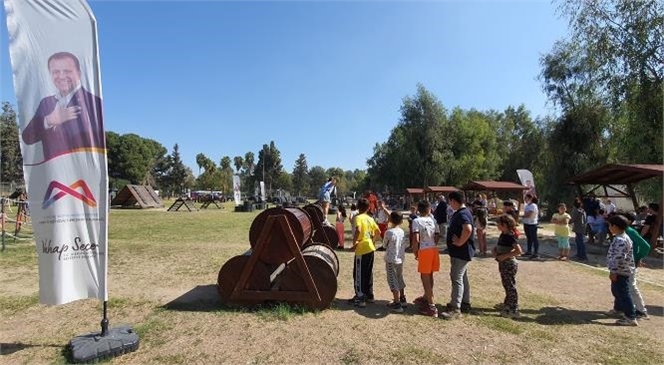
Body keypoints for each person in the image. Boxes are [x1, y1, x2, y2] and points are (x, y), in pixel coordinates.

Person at [22, 52, 105, 162]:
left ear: (79, 74)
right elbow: (27, 137)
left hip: (81, 175)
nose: (61, 76)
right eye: (56, 72)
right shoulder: (46, 102)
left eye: (67, 71)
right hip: (52, 174)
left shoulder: (92, 102)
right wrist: (49, 120)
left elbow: (96, 142)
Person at [440, 191, 475, 320]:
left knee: (456, 278)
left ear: (454, 201)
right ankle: (465, 302)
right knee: (462, 277)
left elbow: (468, 229)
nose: (450, 204)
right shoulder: (462, 213)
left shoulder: (463, 214)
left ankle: (455, 308)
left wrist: (460, 242)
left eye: (450, 202)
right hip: (461, 252)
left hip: (461, 252)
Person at [617, 211, 651, 320]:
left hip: (630, 264)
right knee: (619, 286)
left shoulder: (631, 232)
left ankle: (641, 310)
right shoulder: (620, 232)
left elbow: (645, 246)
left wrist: (638, 257)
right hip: (622, 264)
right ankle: (619, 308)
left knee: (631, 286)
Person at [605, 214, 637, 326]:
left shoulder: (620, 240)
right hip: (620, 270)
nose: (609, 227)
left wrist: (614, 271)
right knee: (617, 291)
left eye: (609, 225)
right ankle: (618, 309)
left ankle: (630, 317)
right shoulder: (621, 238)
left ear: (615, 226)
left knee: (623, 293)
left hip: (620, 271)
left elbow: (619, 257)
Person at [348, 198, 380, 308]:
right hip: (370, 247)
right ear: (368, 208)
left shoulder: (358, 218)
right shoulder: (370, 218)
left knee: (358, 273)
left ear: (357, 207)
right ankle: (369, 294)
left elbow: (358, 230)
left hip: (361, 248)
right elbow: (378, 231)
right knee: (368, 271)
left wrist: (354, 242)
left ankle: (360, 297)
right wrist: (373, 240)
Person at [411, 200, 440, 317]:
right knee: (430, 275)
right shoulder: (433, 220)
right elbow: (438, 234)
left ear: (418, 209)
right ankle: (426, 297)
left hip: (424, 250)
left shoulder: (416, 221)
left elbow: (416, 238)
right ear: (429, 209)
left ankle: (431, 306)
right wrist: (433, 243)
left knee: (425, 277)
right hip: (433, 249)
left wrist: (416, 251)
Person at [492, 214, 522, 318]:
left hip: (509, 264)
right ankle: (508, 303)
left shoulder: (510, 235)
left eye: (498, 224)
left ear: (504, 224)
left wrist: (505, 256)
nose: (497, 226)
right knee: (506, 284)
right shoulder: (503, 234)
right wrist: (495, 250)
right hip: (503, 263)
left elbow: (518, 251)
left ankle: (514, 309)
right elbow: (501, 245)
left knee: (510, 286)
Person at [384, 211, 407, 313]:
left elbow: (384, 245)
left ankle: (397, 304)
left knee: (393, 280)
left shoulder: (389, 232)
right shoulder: (402, 231)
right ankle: (402, 298)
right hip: (400, 258)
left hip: (391, 259)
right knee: (399, 277)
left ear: (390, 220)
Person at [522, 194, 540, 259]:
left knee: (534, 238)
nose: (525, 199)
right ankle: (529, 251)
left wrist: (523, 215)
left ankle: (536, 253)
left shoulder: (533, 205)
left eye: (526, 198)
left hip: (532, 224)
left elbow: (529, 214)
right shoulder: (527, 206)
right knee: (529, 238)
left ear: (530, 198)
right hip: (526, 223)